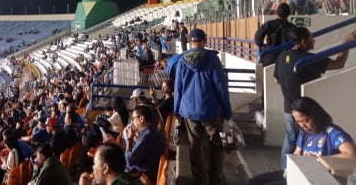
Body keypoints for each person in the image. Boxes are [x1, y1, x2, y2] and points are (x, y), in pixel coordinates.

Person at [274, 26, 354, 169]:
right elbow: (339, 63)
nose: (314, 40)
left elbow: (277, 80)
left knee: (292, 140)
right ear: (304, 41)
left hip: (289, 108)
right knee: (295, 141)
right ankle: (287, 173)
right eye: (311, 38)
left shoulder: (282, 56)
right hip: (305, 110)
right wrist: (346, 42)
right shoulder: (308, 59)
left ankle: (286, 171)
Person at [246, 97, 356, 185]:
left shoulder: (332, 133)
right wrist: (294, 161)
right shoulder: (304, 133)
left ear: (316, 115)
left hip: (318, 178)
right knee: (252, 182)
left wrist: (319, 159)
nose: (303, 125)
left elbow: (352, 155)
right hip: (302, 172)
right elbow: (297, 152)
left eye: (306, 120)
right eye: (299, 122)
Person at [174, 28, 232, 185]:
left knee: (195, 146)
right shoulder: (212, 59)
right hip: (211, 111)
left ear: (190, 41)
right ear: (205, 41)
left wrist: (177, 109)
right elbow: (221, 87)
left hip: (189, 111)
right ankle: (215, 179)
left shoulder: (182, 61)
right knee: (216, 145)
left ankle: (200, 180)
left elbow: (178, 88)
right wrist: (227, 110)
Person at [123, 105, 166, 182]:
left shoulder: (147, 137)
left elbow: (130, 160)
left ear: (141, 119)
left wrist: (129, 139)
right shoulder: (153, 133)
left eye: (133, 118)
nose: (131, 122)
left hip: (140, 177)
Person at [254, 2, 296, 66]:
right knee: (288, 65)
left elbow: (258, 38)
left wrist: (263, 45)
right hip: (286, 57)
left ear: (277, 13)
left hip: (270, 56)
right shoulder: (292, 27)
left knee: (263, 70)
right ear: (289, 14)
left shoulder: (269, 24)